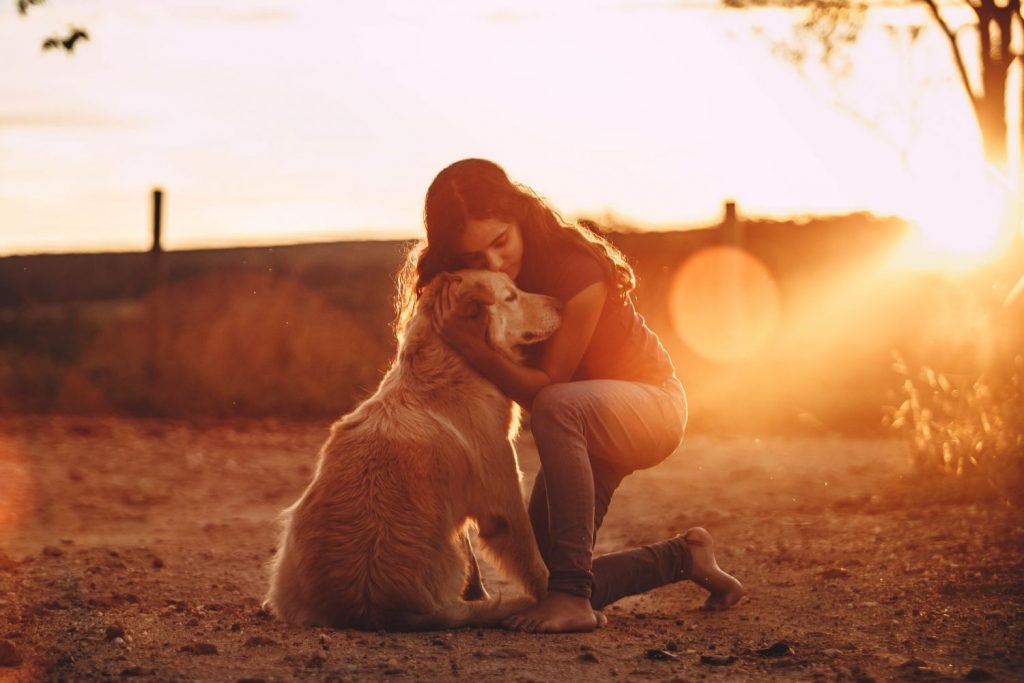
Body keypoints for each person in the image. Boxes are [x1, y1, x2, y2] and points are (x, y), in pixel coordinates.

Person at [395, 158, 745, 633]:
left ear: (520, 214)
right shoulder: (470, 288)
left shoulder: (575, 269)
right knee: (543, 576)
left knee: (559, 406)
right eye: (475, 257)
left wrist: (472, 347)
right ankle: (684, 558)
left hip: (650, 407)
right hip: (581, 424)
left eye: (501, 242)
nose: (494, 263)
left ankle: (573, 602)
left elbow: (548, 389)